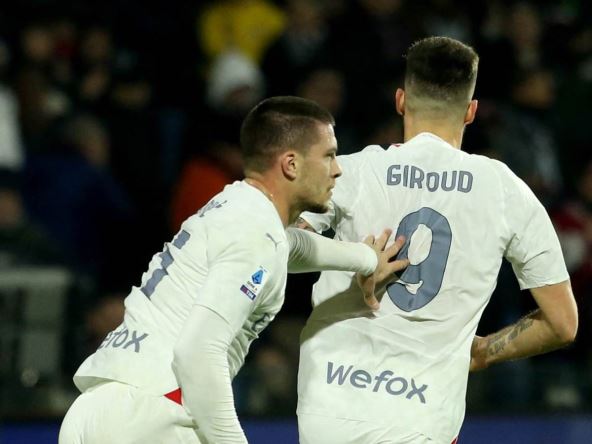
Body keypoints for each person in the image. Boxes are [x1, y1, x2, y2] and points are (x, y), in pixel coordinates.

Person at [58, 96, 409, 443]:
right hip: (153, 413)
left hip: (95, 407)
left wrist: (365, 259)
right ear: (291, 164)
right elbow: (198, 352)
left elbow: (289, 245)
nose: (337, 169)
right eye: (329, 155)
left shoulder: (234, 204)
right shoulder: (256, 233)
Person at [295, 37, 578, 444]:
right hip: (422, 417)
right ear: (471, 111)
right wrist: (484, 351)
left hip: (331, 407)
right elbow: (563, 323)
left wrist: (356, 258)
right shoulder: (505, 190)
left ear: (400, 101)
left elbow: (280, 248)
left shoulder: (351, 172)